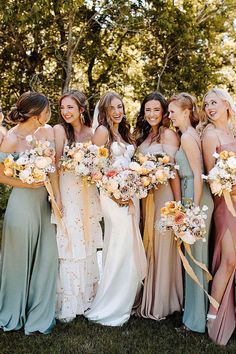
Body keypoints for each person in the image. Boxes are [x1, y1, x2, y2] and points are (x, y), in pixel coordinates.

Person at [85, 91, 147, 326]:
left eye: (120, 106)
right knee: (121, 245)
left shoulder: (123, 132)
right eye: (112, 108)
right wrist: (114, 191)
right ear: (104, 110)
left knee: (130, 244)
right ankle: (113, 304)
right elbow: (93, 169)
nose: (118, 111)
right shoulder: (101, 132)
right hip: (113, 197)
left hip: (130, 195)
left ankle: (126, 298)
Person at [0, 91, 58, 334]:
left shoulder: (46, 132)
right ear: (36, 112)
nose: (50, 113)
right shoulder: (11, 139)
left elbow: (53, 169)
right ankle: (13, 311)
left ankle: (39, 313)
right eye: (47, 109)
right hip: (22, 204)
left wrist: (57, 200)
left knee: (47, 256)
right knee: (18, 259)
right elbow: (1, 176)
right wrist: (28, 183)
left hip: (44, 204)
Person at [53, 90, 103, 322]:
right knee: (70, 243)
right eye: (63, 107)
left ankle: (88, 299)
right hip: (67, 191)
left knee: (88, 241)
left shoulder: (92, 133)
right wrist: (57, 199)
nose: (65, 112)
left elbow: (98, 167)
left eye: (70, 107)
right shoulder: (59, 131)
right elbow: (55, 165)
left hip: (88, 193)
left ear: (82, 109)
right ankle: (69, 301)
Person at [134, 91, 183, 320]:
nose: (152, 114)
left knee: (162, 245)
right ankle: (146, 294)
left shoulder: (168, 135)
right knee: (148, 244)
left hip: (163, 198)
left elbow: (173, 173)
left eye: (156, 109)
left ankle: (162, 301)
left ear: (163, 112)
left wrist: (178, 205)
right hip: (146, 198)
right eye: (148, 110)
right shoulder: (144, 136)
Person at [168, 93, 214, 333]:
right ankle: (196, 316)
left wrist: (193, 211)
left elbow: (198, 174)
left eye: (173, 111)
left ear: (186, 111)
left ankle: (195, 322)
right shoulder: (190, 134)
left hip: (194, 196)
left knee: (196, 261)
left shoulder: (188, 136)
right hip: (192, 195)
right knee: (195, 258)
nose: (169, 115)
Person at [200, 88, 236, 345]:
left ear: (226, 103)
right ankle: (213, 315)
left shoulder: (233, 131)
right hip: (225, 205)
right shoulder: (209, 135)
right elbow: (212, 178)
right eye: (205, 104)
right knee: (230, 260)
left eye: (213, 102)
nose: (209, 107)